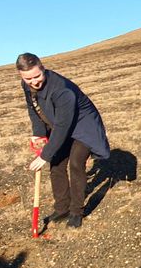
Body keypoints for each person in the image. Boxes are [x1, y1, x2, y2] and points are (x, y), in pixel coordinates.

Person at [17, 53, 110, 228]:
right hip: (61, 123)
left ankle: (76, 211)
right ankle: (62, 208)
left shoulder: (61, 90)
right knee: (57, 163)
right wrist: (38, 133)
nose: (34, 82)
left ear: (43, 68)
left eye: (37, 76)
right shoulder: (27, 84)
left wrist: (44, 155)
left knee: (76, 163)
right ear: (21, 75)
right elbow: (33, 108)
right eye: (28, 78)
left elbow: (62, 127)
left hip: (83, 127)